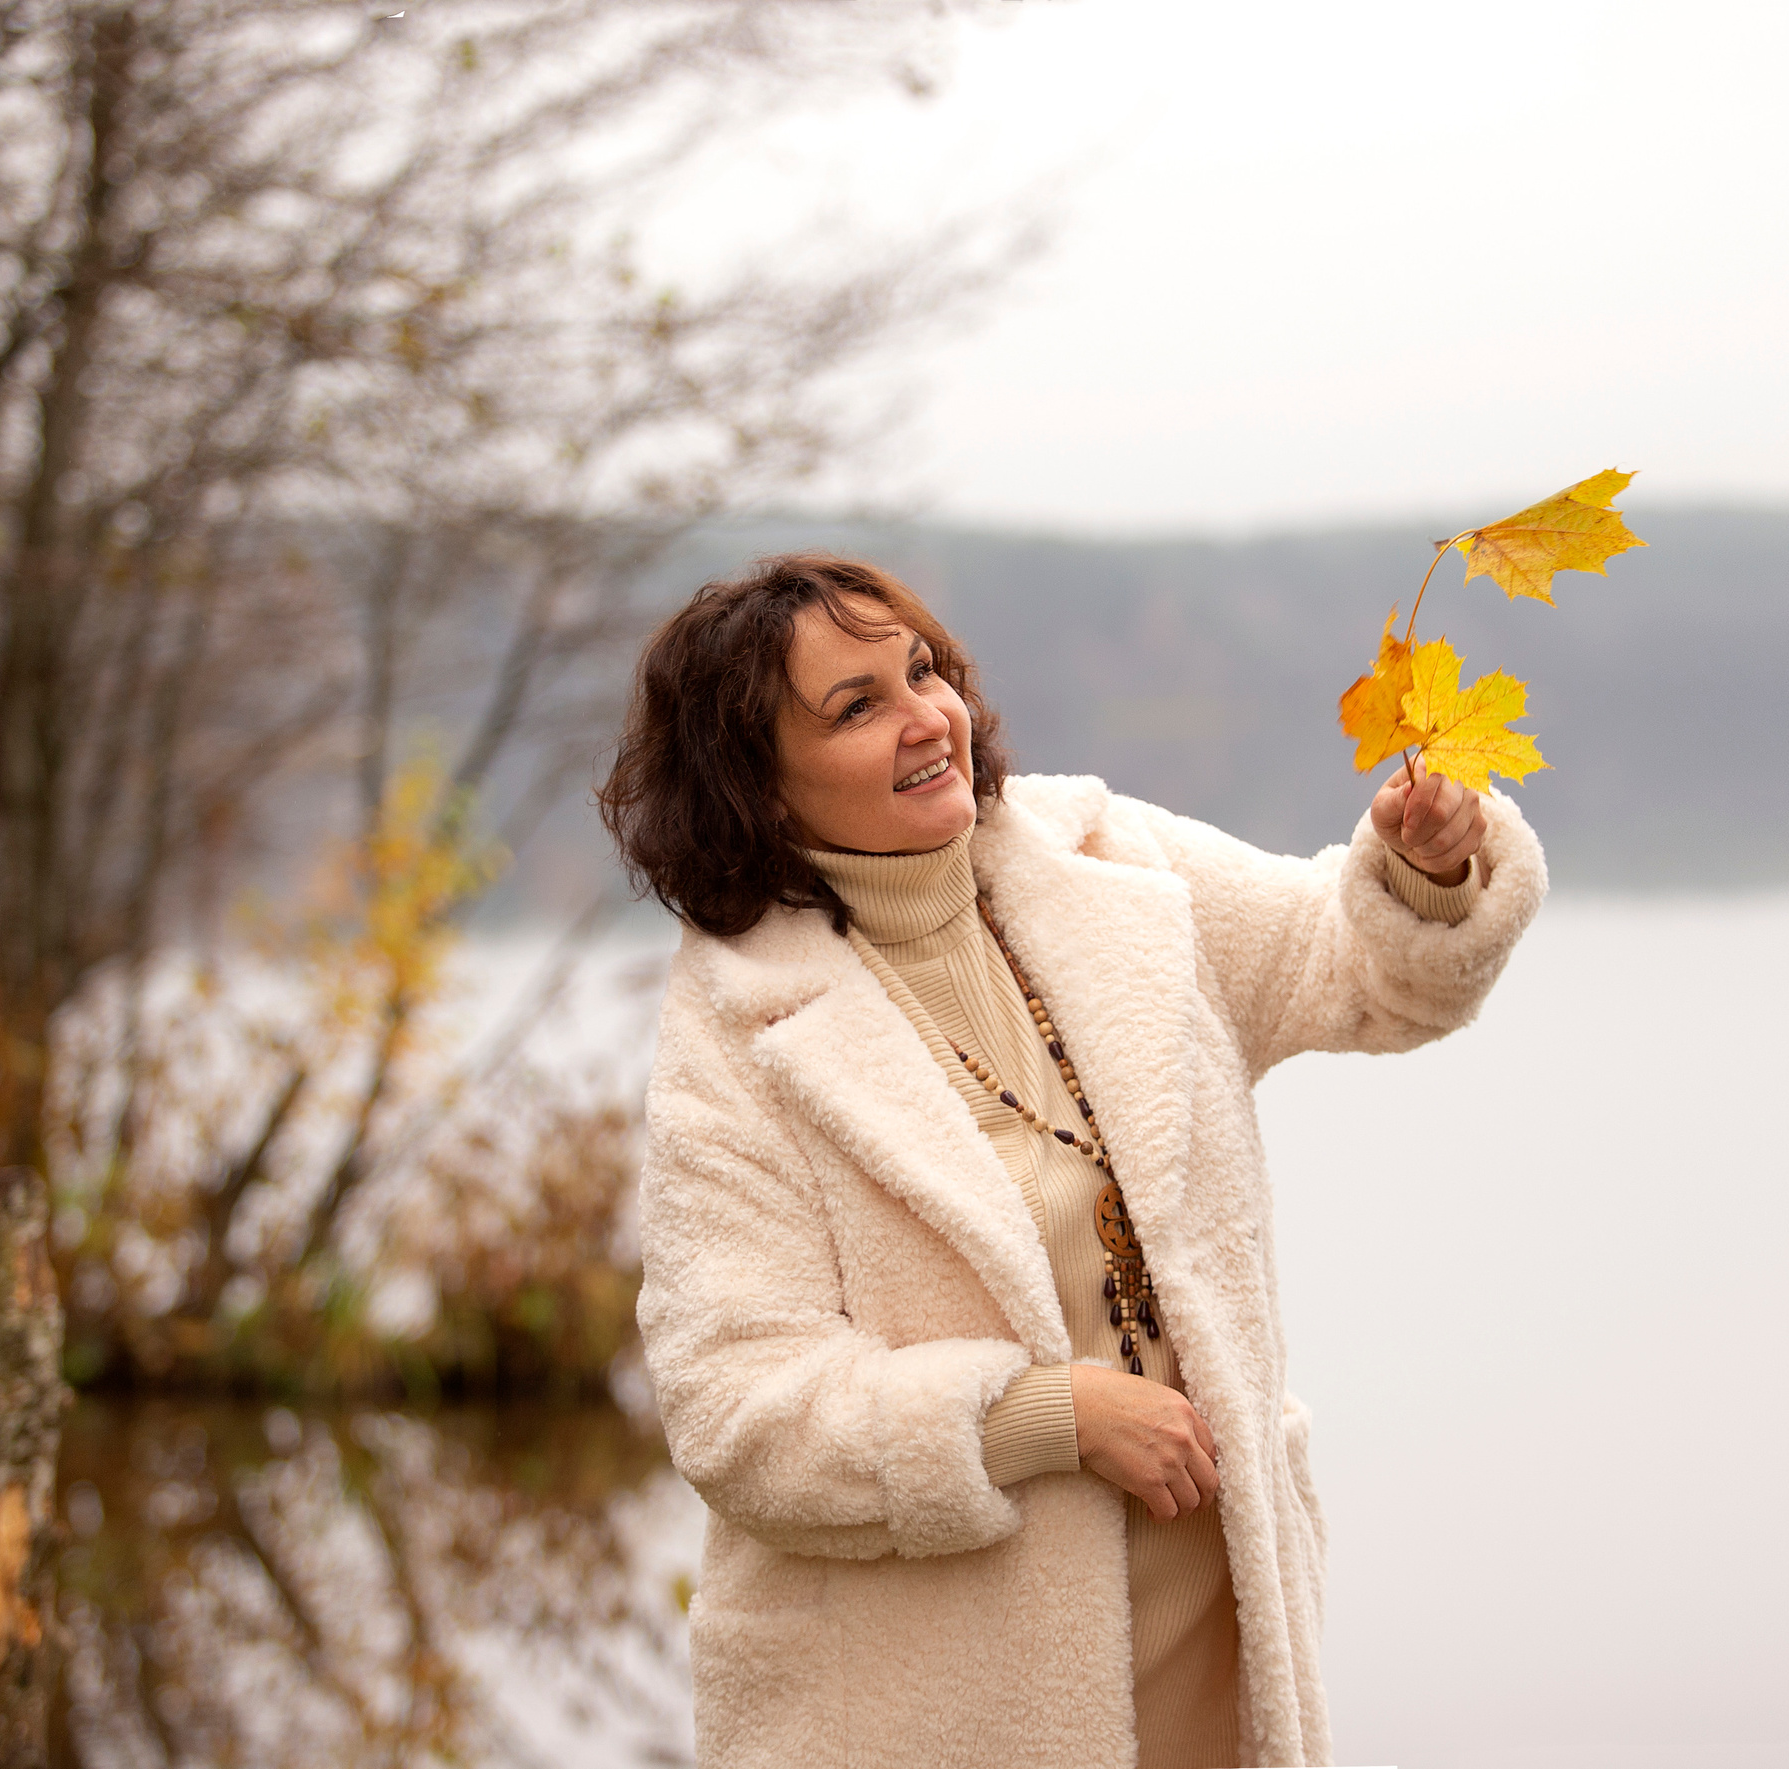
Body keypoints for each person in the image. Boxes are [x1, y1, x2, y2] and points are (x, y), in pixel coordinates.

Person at [601, 553, 1545, 1769]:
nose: (925, 717)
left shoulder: (1104, 858)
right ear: (758, 790)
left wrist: (1424, 873)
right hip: (932, 1707)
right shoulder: (737, 1032)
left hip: (1216, 1646)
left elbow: (1355, 969)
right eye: (857, 706)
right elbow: (739, 1412)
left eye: (922, 670)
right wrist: (1045, 1415)